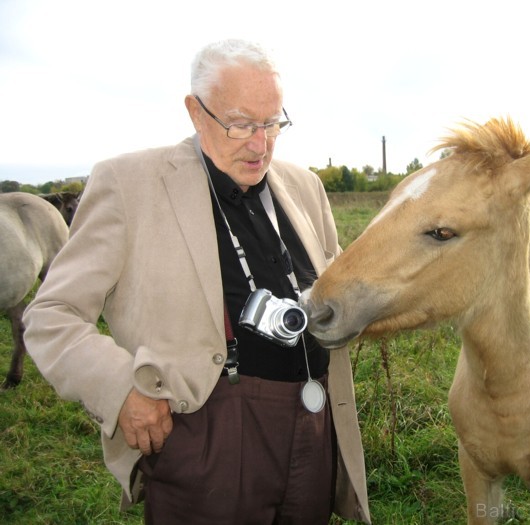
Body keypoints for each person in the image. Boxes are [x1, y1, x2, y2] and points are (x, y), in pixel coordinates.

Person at [23, 39, 371, 525]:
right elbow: (51, 314)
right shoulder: (129, 184)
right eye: (242, 124)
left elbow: (338, 289)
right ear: (195, 111)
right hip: (204, 435)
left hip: (314, 428)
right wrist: (121, 389)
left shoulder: (305, 187)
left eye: (272, 123)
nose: (260, 143)